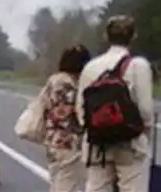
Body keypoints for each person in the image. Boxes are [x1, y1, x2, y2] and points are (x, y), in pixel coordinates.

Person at [76, 15, 154, 192]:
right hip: (130, 143)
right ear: (134, 36)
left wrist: (96, 129)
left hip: (98, 143)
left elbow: (81, 109)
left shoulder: (91, 67)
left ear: (106, 36)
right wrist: (143, 135)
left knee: (97, 187)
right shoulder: (138, 65)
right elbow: (145, 111)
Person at [42, 44, 92, 192]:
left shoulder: (53, 81)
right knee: (67, 183)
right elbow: (77, 113)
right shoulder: (71, 85)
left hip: (52, 138)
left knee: (56, 179)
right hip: (68, 140)